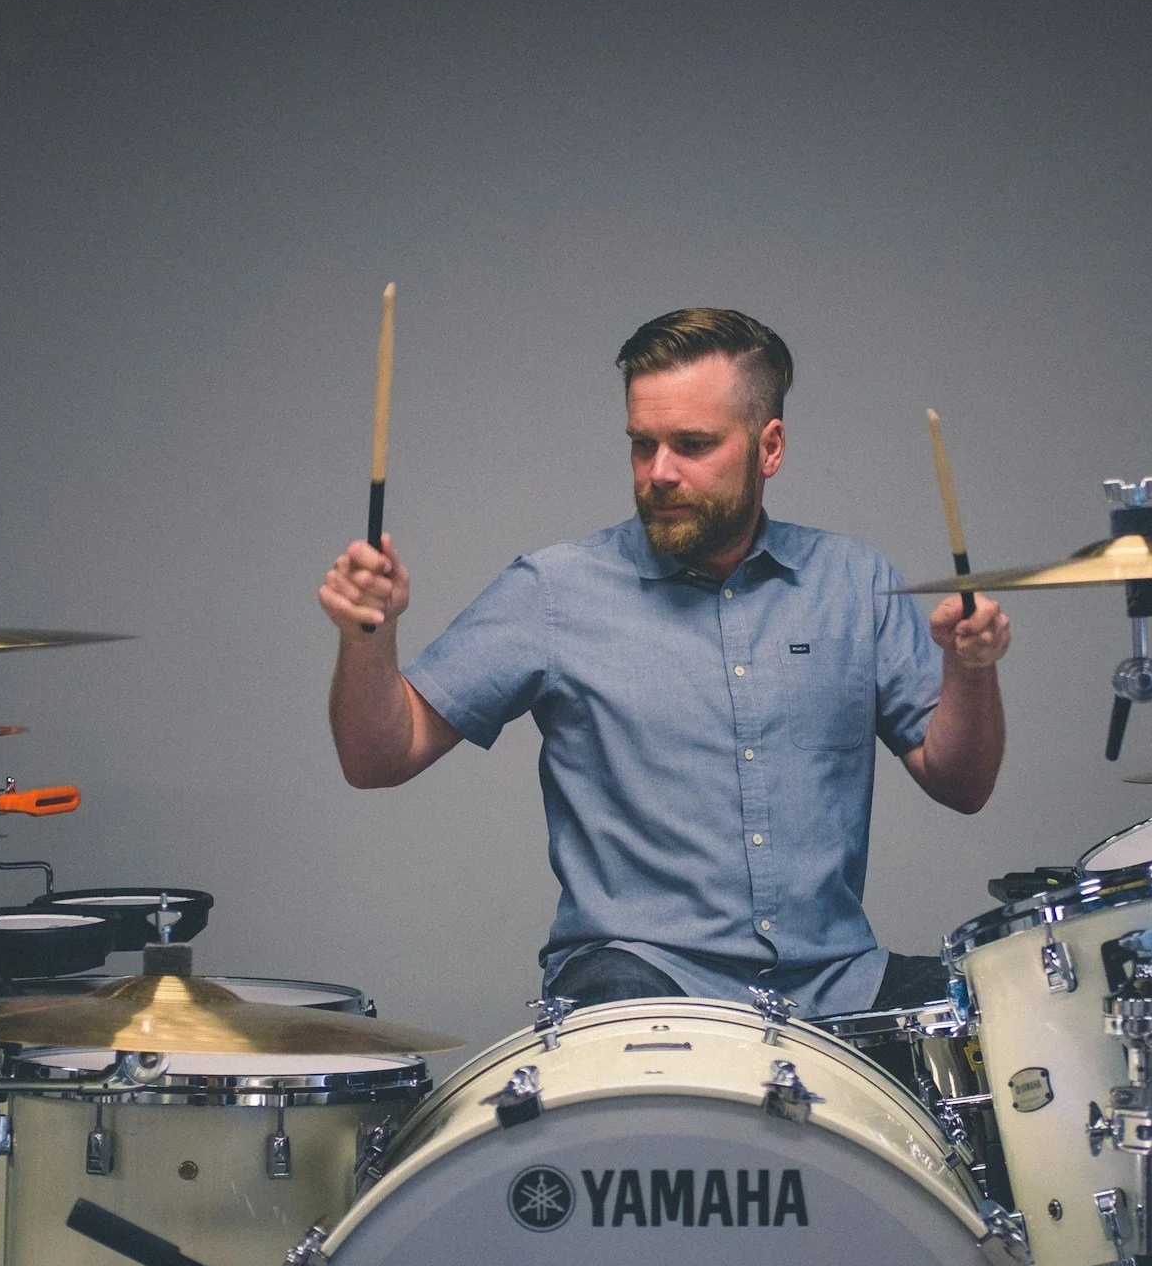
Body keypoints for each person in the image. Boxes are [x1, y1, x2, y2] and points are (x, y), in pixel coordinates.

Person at [316, 307, 1010, 1016]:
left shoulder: (854, 583)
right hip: (641, 979)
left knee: (994, 1023)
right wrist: (367, 637)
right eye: (641, 445)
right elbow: (380, 756)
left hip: (836, 985)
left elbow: (962, 782)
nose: (659, 472)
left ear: (769, 447)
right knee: (632, 1028)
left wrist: (970, 671)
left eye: (692, 444)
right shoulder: (554, 590)